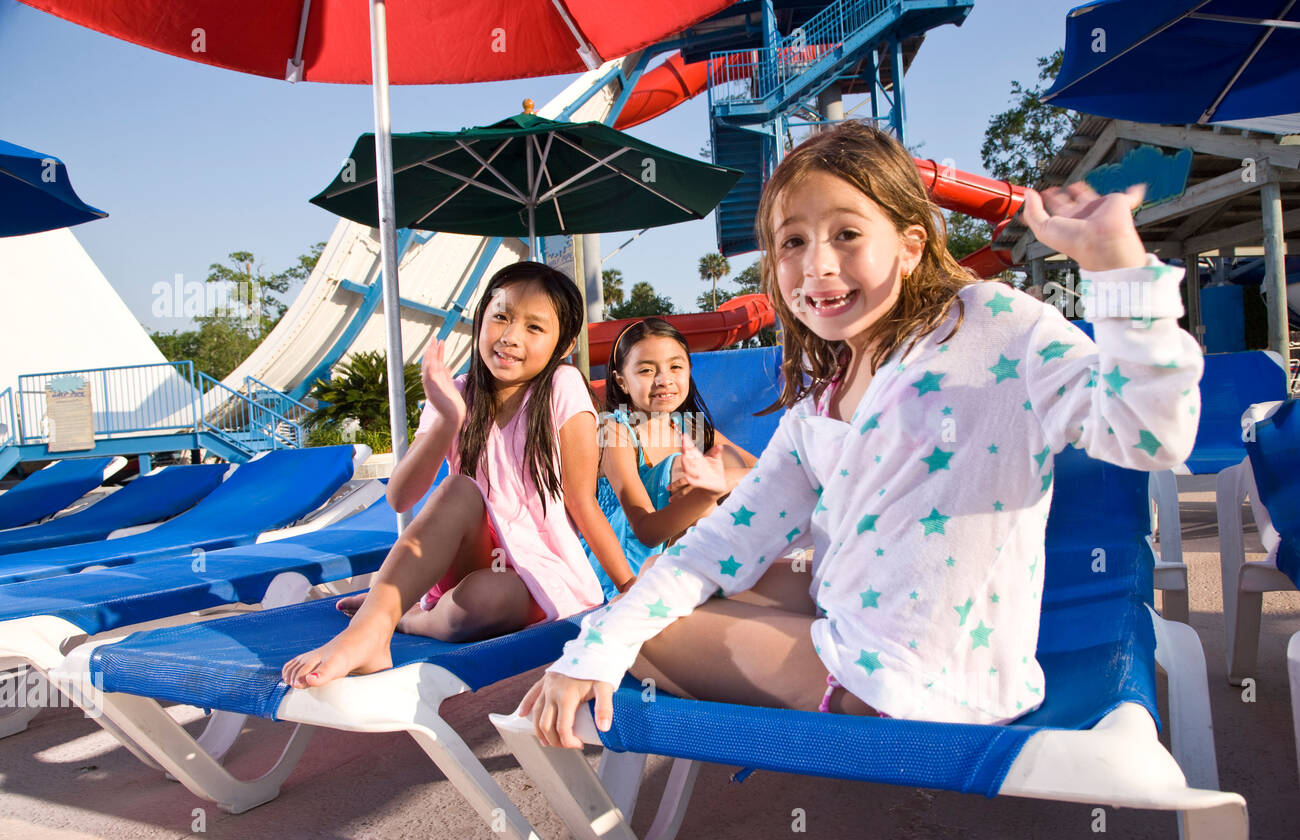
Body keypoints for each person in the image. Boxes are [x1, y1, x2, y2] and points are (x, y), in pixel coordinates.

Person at [521, 121, 1203, 747]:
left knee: (635, 635)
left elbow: (1149, 435)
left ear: (911, 245)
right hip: (920, 657)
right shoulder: (820, 406)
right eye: (793, 242)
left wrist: (1120, 270)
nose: (816, 265)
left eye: (846, 234)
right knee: (702, 581)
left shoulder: (991, 322)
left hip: (903, 691)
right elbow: (721, 544)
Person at [282, 261, 633, 688]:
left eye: (534, 328)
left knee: (483, 601)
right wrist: (449, 418)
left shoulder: (562, 386)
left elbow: (583, 502)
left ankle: (411, 620)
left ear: (564, 344)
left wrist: (630, 589)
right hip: (466, 555)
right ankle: (369, 631)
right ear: (481, 318)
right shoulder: (458, 392)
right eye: (501, 316)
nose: (510, 337)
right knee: (458, 488)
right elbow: (400, 498)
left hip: (535, 574)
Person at [585, 317, 758, 598]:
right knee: (689, 472)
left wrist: (725, 480)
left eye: (675, 367)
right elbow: (647, 531)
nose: (664, 380)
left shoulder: (689, 426)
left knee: (724, 460)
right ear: (622, 381)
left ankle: (725, 571)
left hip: (681, 555)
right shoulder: (614, 430)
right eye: (645, 370)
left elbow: (766, 471)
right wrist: (704, 495)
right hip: (626, 570)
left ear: (688, 371)